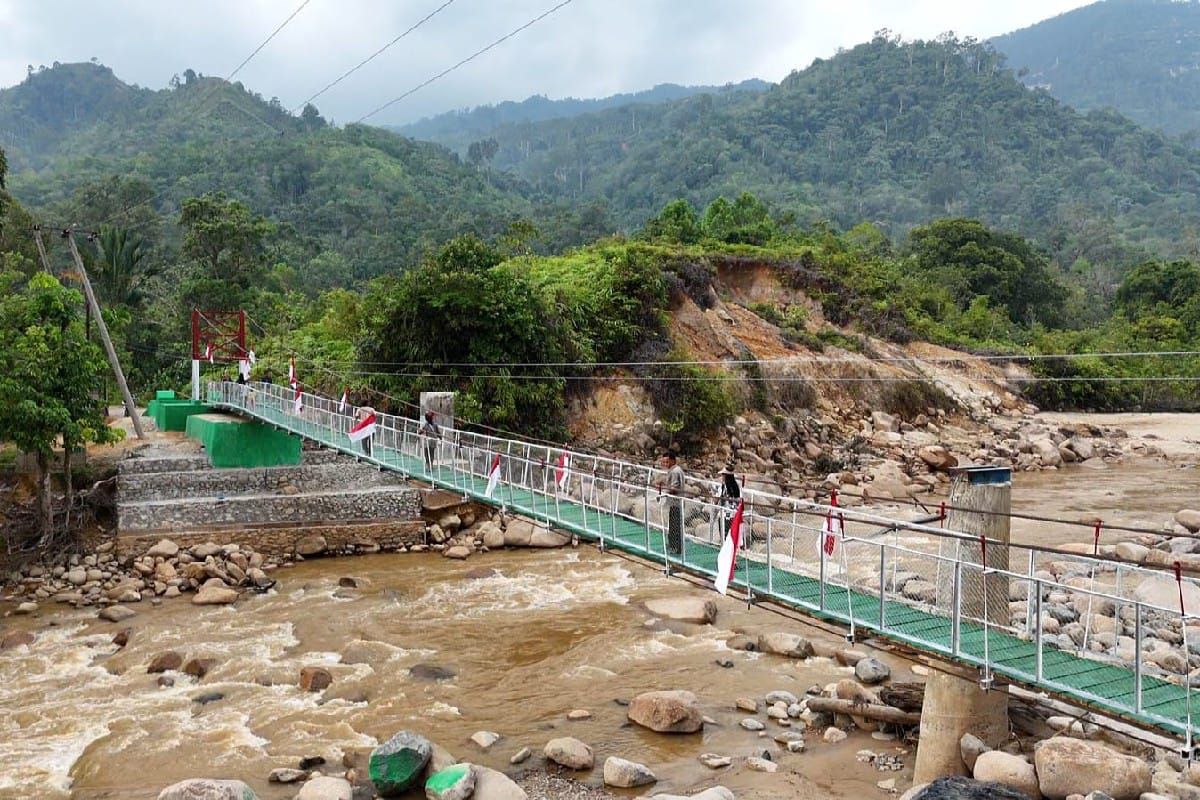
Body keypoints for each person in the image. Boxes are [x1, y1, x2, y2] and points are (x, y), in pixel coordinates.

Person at [657, 451, 685, 556]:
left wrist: (663, 489)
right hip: (675, 502)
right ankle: (673, 545)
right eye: (663, 462)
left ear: (673, 461)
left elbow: (674, 488)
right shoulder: (676, 470)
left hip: (676, 502)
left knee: (675, 525)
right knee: (673, 524)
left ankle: (676, 547)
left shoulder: (675, 472)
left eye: (667, 462)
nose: (665, 464)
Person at [716, 464, 740, 542]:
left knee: (724, 534)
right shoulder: (736, 486)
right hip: (734, 514)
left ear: (726, 476)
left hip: (725, 514)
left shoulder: (724, 487)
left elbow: (719, 500)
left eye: (723, 475)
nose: (722, 477)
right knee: (732, 536)